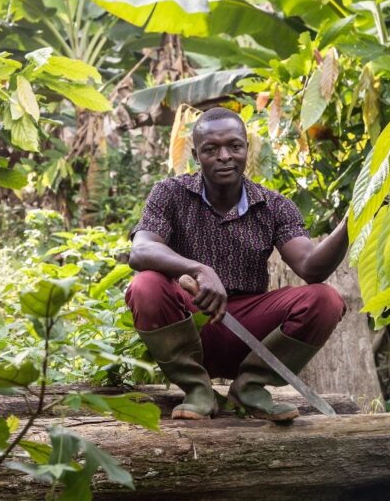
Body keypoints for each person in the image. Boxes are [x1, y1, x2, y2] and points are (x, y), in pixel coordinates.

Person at [127, 107, 349, 421]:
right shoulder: (170, 193)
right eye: (211, 149)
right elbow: (141, 250)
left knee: (326, 299)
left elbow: (311, 268)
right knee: (145, 284)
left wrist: (351, 221)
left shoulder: (274, 205)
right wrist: (198, 269)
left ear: (247, 148)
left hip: (250, 333)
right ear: (195, 155)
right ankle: (197, 389)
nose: (224, 156)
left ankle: (250, 386)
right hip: (191, 329)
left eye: (234, 146)